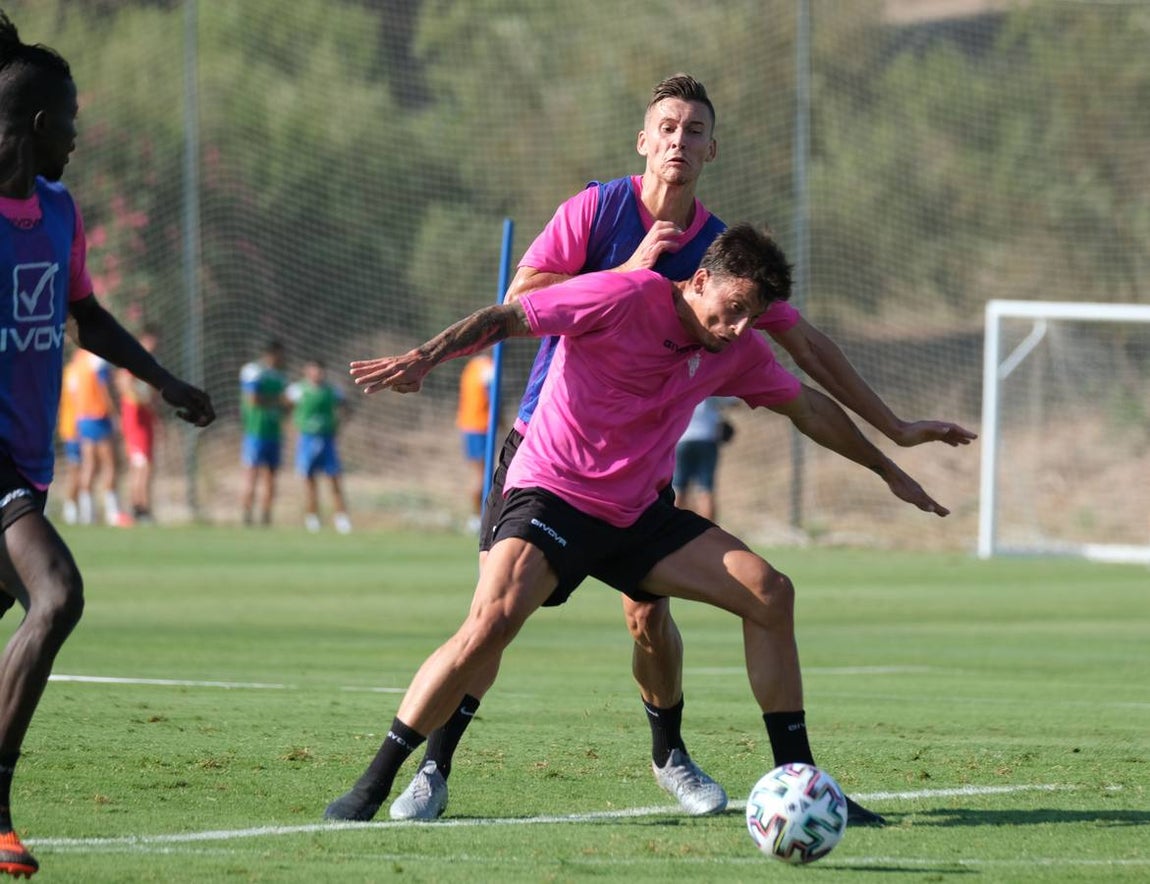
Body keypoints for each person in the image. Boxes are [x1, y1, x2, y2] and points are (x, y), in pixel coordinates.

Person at [388, 73, 975, 826]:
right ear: (644, 139)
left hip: (636, 471)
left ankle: (670, 755)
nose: (679, 139)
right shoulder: (596, 208)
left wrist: (892, 431)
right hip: (547, 447)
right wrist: (629, 269)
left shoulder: (721, 251)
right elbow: (526, 292)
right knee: (492, 618)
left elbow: (804, 351)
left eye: (694, 129)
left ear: (711, 149)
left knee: (649, 618)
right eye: (667, 125)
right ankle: (432, 769)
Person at [0, 11, 216, 877]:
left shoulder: (57, 210)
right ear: (39, 123)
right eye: (74, 121)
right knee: (55, 597)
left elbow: (84, 315)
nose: (81, 137)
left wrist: (162, 380)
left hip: (30, 462)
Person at [286, 359, 351, 534]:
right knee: (309, 481)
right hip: (306, 439)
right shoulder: (297, 390)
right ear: (306, 371)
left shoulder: (332, 390)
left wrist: (339, 424)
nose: (317, 374)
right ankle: (312, 519)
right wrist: (293, 426)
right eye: (313, 370)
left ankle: (341, 519)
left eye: (320, 370)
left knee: (334, 479)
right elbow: (285, 407)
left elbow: (346, 407)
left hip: (327, 439)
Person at [70, 348, 124, 526]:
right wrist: (115, 414)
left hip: (82, 417)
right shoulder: (97, 358)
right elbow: (104, 390)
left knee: (89, 465)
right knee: (110, 463)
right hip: (98, 415)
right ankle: (112, 512)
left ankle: (87, 514)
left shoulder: (78, 359)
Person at [239, 339, 289, 526]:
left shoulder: (281, 376)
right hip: (255, 432)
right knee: (251, 475)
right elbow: (253, 400)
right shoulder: (254, 372)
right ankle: (246, 516)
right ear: (271, 354)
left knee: (271, 477)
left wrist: (286, 406)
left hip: (274, 432)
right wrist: (277, 401)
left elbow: (286, 404)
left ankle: (266, 518)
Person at [116, 325, 160, 523]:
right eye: (150, 340)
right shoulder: (134, 358)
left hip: (146, 419)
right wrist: (142, 399)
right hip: (135, 419)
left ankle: (141, 507)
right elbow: (123, 382)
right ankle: (139, 508)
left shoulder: (152, 363)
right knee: (141, 465)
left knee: (145, 465)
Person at [672, 397, 738, 521]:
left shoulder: (678, 382)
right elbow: (734, 401)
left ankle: (673, 532)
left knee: (678, 488)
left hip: (682, 439)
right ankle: (708, 533)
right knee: (706, 489)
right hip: (707, 439)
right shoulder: (710, 381)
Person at [456, 353, 494, 533]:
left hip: (470, 425)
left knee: (483, 474)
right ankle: (477, 518)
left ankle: (478, 517)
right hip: (480, 426)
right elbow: (492, 395)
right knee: (482, 475)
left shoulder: (471, 366)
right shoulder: (487, 367)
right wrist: (499, 418)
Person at [55, 348, 83, 525]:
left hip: (73, 426)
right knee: (75, 468)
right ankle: (70, 508)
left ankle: (76, 507)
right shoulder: (73, 373)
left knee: (80, 468)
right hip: (73, 427)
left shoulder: (68, 372)